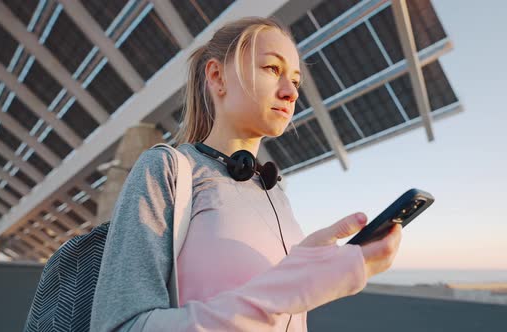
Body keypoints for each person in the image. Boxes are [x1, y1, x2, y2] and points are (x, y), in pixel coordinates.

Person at [90, 16, 402, 331]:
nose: (290, 93)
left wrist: (305, 264)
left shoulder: (276, 193)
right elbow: (120, 326)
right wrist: (291, 287)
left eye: (295, 81)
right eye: (272, 69)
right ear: (217, 76)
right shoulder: (168, 170)